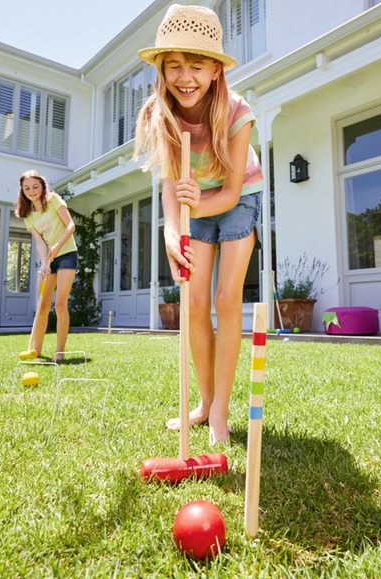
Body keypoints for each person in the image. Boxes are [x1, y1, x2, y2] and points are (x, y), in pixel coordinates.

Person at [134, 4, 264, 445]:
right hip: (192, 203)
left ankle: (222, 412)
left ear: (215, 70)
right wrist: (173, 232)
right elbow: (172, 184)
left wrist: (197, 208)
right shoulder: (161, 113)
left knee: (227, 299)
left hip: (237, 197)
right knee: (192, 303)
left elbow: (228, 193)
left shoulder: (237, 112)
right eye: (174, 66)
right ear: (162, 71)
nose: (184, 77)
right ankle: (204, 403)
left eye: (196, 65)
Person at [14, 170, 77, 362]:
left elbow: (70, 226)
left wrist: (57, 246)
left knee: (59, 303)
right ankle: (36, 351)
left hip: (66, 254)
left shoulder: (54, 201)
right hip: (50, 258)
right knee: (42, 305)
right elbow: (40, 242)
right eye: (27, 188)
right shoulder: (27, 215)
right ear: (22, 191)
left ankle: (60, 351)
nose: (31, 191)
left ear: (42, 187)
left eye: (35, 186)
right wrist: (44, 264)